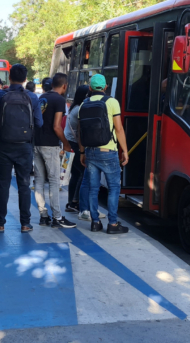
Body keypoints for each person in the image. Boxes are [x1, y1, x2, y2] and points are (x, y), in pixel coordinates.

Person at [0, 64, 43, 233]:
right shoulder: (32, 98)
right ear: (25, 79)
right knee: (24, 185)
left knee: (3, 185)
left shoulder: (0, 97)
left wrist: (0, 139)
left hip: (4, 147)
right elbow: (39, 123)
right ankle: (25, 223)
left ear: (9, 78)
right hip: (24, 147)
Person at [78, 74, 129, 234]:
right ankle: (112, 224)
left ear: (91, 88)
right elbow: (119, 129)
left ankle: (95, 222)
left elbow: (81, 131)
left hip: (90, 151)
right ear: (105, 87)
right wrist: (125, 151)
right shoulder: (112, 102)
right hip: (108, 151)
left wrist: (81, 152)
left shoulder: (83, 104)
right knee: (114, 187)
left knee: (93, 188)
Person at [34, 73, 77, 228]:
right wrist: (66, 144)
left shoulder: (42, 97)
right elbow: (57, 126)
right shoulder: (59, 100)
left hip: (37, 142)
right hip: (50, 144)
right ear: (64, 85)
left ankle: (43, 215)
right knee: (53, 180)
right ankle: (57, 217)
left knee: (39, 180)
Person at [64, 85, 90, 213]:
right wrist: (82, 150)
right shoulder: (80, 109)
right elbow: (80, 131)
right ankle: (75, 202)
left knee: (75, 174)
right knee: (81, 173)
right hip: (74, 143)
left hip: (69, 142)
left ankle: (71, 202)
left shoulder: (74, 107)